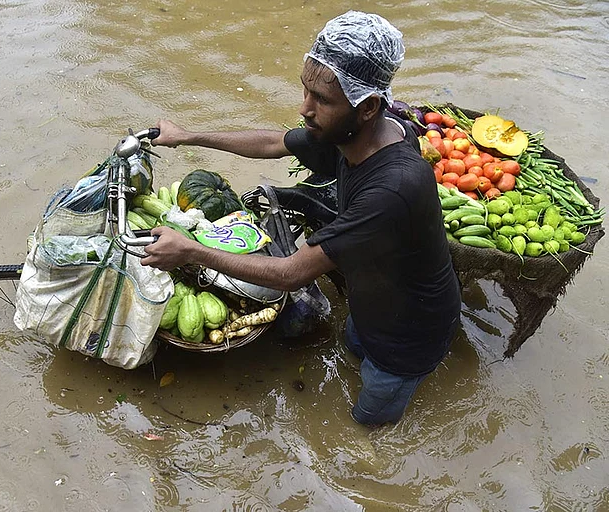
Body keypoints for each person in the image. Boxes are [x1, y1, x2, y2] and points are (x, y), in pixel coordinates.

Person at [141, 11, 461, 427]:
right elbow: (274, 143)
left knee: (368, 423)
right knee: (353, 348)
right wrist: (188, 136)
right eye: (305, 92)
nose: (305, 109)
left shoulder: (391, 189)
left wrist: (189, 250)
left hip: (409, 334)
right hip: (372, 301)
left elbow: (291, 273)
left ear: (368, 108)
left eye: (322, 100)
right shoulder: (356, 134)